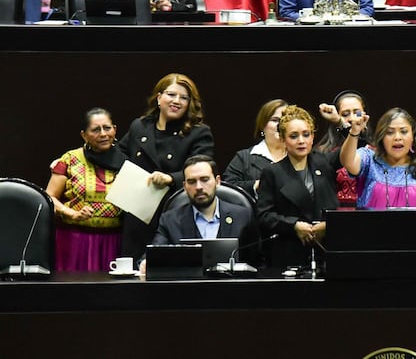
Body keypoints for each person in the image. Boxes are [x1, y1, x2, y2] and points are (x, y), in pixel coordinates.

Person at [118, 73, 214, 259]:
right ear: (159, 97)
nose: (177, 101)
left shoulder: (198, 132)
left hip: (175, 212)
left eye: (184, 97)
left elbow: (204, 166)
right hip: (138, 213)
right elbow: (118, 157)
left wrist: (171, 178)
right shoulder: (139, 126)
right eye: (171, 94)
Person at [139, 155, 259, 274]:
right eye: (191, 182)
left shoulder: (243, 216)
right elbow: (154, 252)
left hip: (233, 288)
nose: (199, 187)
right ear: (185, 186)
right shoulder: (170, 219)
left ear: (217, 182)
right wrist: (146, 262)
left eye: (205, 179)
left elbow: (258, 262)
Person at [256, 105, 339, 268]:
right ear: (283, 139)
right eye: (294, 136)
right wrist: (293, 225)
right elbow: (264, 216)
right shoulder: (272, 172)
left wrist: (328, 225)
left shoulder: (324, 163)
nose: (301, 141)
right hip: (289, 253)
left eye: (306, 134)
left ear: (313, 137)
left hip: (327, 252)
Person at [46, 108, 126, 272]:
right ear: (84, 135)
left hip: (115, 241)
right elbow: (48, 198)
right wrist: (72, 213)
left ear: (115, 130)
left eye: (107, 128)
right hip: (75, 240)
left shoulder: (127, 162)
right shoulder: (70, 159)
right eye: (96, 130)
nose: (103, 134)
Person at [341, 107, 416, 209]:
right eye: (389, 132)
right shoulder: (369, 160)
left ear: (413, 136)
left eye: (403, 131)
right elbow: (348, 162)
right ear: (382, 137)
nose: (397, 137)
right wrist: (354, 132)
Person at [316, 89, 372, 207]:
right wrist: (340, 122)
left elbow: (359, 145)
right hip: (336, 217)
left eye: (357, 113)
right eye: (345, 114)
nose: (352, 118)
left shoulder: (375, 151)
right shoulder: (323, 153)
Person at [223, 99, 288, 198]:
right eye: (275, 120)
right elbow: (227, 188)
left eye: (285, 120)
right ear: (262, 125)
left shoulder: (300, 155)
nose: (280, 125)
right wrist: (256, 185)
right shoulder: (244, 157)